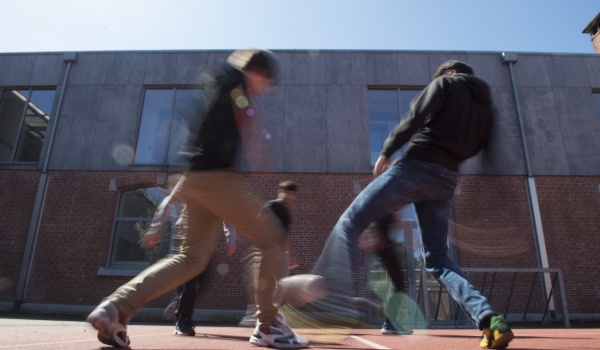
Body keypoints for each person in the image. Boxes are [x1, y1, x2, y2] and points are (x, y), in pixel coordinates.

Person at [86, 49, 309, 349]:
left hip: (192, 178)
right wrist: (256, 135)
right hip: (216, 178)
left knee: (191, 259)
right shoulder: (236, 85)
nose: (264, 89)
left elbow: (233, 110)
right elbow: (244, 108)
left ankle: (116, 307)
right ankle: (268, 323)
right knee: (272, 237)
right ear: (257, 72)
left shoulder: (218, 81)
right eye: (266, 82)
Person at [312, 60, 514, 349]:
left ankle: (328, 310)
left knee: (350, 221)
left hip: (417, 167)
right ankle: (489, 319)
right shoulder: (486, 108)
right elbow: (488, 150)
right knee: (438, 259)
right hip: (445, 182)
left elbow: (417, 115)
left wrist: (387, 149)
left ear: (451, 72)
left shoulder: (446, 82)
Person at [240, 181, 299, 326]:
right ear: (280, 191)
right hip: (269, 248)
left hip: (281, 251)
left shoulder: (286, 212)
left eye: (293, 195)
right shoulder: (272, 206)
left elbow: (284, 235)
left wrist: (290, 254)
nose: (290, 197)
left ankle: (272, 312)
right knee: (265, 283)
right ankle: (262, 312)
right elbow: (260, 221)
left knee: (282, 284)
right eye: (288, 193)